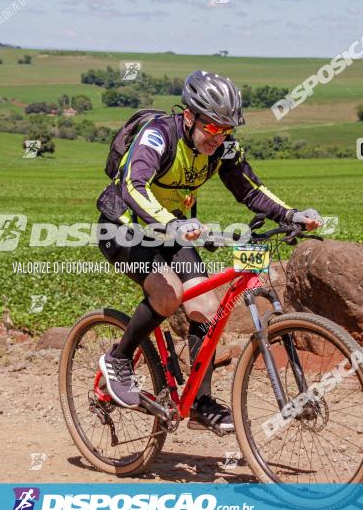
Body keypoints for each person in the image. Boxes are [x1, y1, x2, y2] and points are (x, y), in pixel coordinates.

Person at [96, 70, 322, 434]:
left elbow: (250, 189)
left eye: (227, 130)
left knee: (206, 308)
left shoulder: (224, 147)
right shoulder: (158, 136)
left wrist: (292, 214)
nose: (219, 137)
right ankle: (118, 360)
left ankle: (200, 402)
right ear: (190, 116)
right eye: (212, 128)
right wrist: (170, 223)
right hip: (123, 228)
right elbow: (132, 186)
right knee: (168, 292)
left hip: (170, 232)